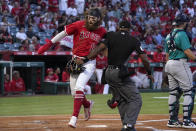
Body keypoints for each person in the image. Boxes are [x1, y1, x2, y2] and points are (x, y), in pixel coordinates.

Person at [76, 20, 153, 131]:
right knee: (136, 99)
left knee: (121, 99)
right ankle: (129, 125)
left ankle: (125, 124)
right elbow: (144, 59)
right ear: (129, 29)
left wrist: (85, 59)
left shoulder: (111, 35)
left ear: (118, 27)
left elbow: (98, 49)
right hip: (119, 73)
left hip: (108, 73)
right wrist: (149, 72)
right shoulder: (133, 40)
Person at [37, 8, 106, 128]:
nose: (91, 20)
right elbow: (63, 34)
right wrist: (48, 44)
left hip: (89, 62)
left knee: (79, 87)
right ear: (87, 16)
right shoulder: (79, 24)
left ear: (99, 20)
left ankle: (73, 118)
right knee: (75, 93)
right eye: (89, 17)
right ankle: (87, 104)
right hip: (76, 61)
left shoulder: (102, 31)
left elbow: (107, 44)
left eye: (94, 18)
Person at [165, 13, 196, 129]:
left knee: (174, 92)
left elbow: (167, 56)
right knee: (189, 91)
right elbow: (187, 52)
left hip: (169, 63)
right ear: (183, 23)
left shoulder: (169, 35)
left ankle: (172, 120)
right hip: (179, 63)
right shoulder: (182, 34)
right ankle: (187, 121)